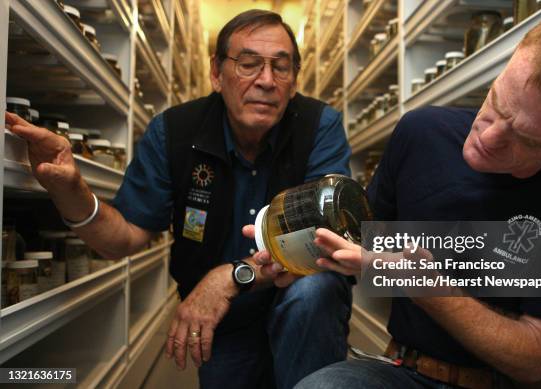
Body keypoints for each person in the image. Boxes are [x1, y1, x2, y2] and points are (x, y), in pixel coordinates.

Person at [5, 9, 353, 389]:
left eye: (281, 68)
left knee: (314, 288)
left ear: (294, 80)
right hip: (224, 322)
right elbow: (123, 238)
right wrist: (69, 188)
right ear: (216, 74)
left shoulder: (320, 125)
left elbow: (324, 237)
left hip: (301, 309)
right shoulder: (173, 132)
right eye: (249, 64)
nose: (266, 81)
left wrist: (234, 275)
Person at [291, 7, 541, 389]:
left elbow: (534, 359)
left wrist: (428, 288)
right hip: (404, 372)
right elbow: (363, 242)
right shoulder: (421, 132)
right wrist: (285, 253)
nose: (486, 139)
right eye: (496, 103)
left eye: (526, 140)